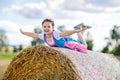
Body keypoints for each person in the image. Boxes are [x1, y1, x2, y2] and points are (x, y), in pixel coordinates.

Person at [20, 19, 88, 53]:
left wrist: (76, 31)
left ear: (52, 27)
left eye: (48, 27)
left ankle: (78, 29)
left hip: (68, 43)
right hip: (63, 48)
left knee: (84, 46)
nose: (46, 28)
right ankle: (81, 30)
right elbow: (33, 35)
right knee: (80, 41)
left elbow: (66, 33)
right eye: (44, 27)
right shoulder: (43, 35)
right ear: (42, 27)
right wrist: (23, 33)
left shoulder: (55, 34)